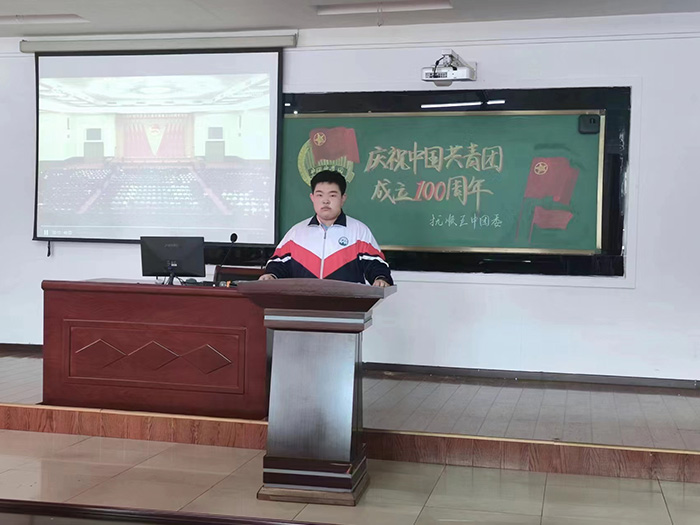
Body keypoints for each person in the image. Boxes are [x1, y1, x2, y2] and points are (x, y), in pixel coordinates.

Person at [259, 170, 393, 287]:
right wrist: (271, 275)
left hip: (347, 303)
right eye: (320, 195)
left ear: (343, 198)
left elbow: (375, 263)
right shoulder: (296, 233)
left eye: (332, 195)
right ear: (312, 198)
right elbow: (279, 263)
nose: (325, 201)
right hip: (302, 302)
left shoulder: (359, 231)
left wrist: (380, 278)